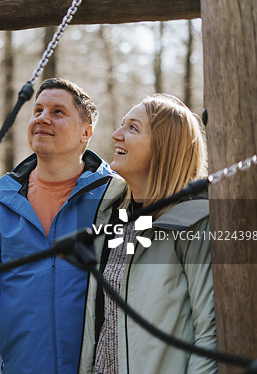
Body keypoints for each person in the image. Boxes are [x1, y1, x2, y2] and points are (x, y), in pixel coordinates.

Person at [0, 78, 126, 374]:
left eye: (58, 111)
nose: (42, 118)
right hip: (21, 366)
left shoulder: (115, 194)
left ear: (85, 133)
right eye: (37, 110)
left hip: (97, 366)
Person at [78, 94, 216, 374]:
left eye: (133, 128)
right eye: (122, 124)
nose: (116, 135)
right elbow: (101, 323)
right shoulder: (113, 213)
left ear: (165, 147)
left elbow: (210, 334)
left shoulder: (194, 221)